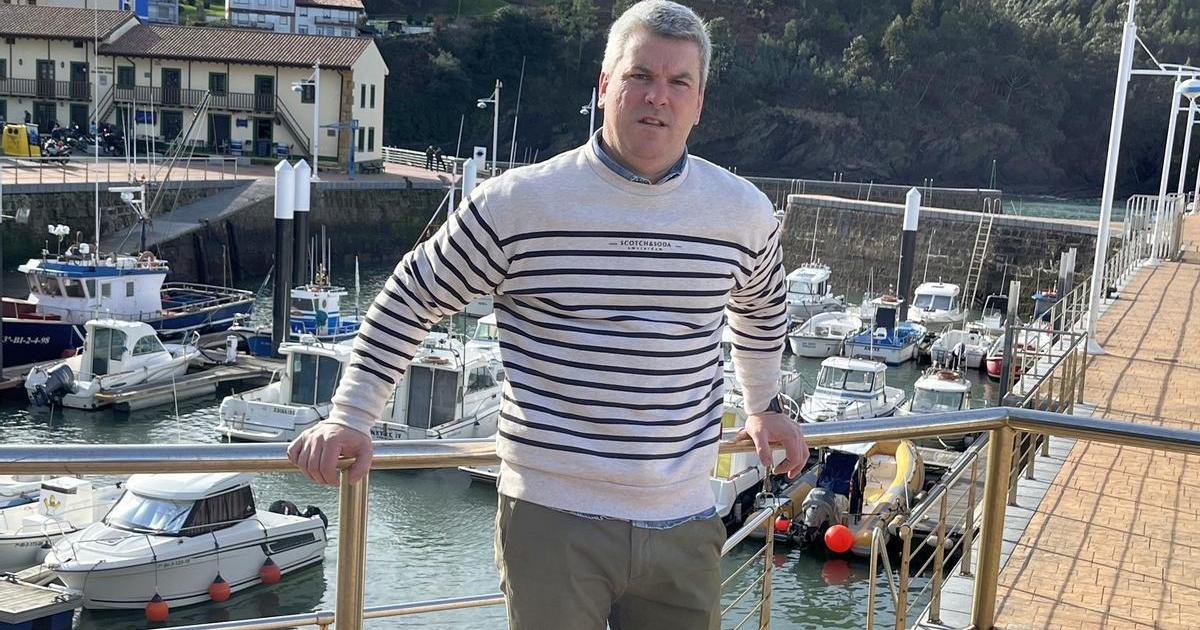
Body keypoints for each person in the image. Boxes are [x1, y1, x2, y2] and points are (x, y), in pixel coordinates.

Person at [288, 2, 806, 628]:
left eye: (679, 82)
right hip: (551, 519)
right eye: (640, 75)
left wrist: (764, 406)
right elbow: (411, 296)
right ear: (605, 85)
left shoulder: (742, 212)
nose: (658, 97)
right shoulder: (520, 203)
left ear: (699, 102)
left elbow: (761, 309)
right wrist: (351, 416)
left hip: (686, 516)